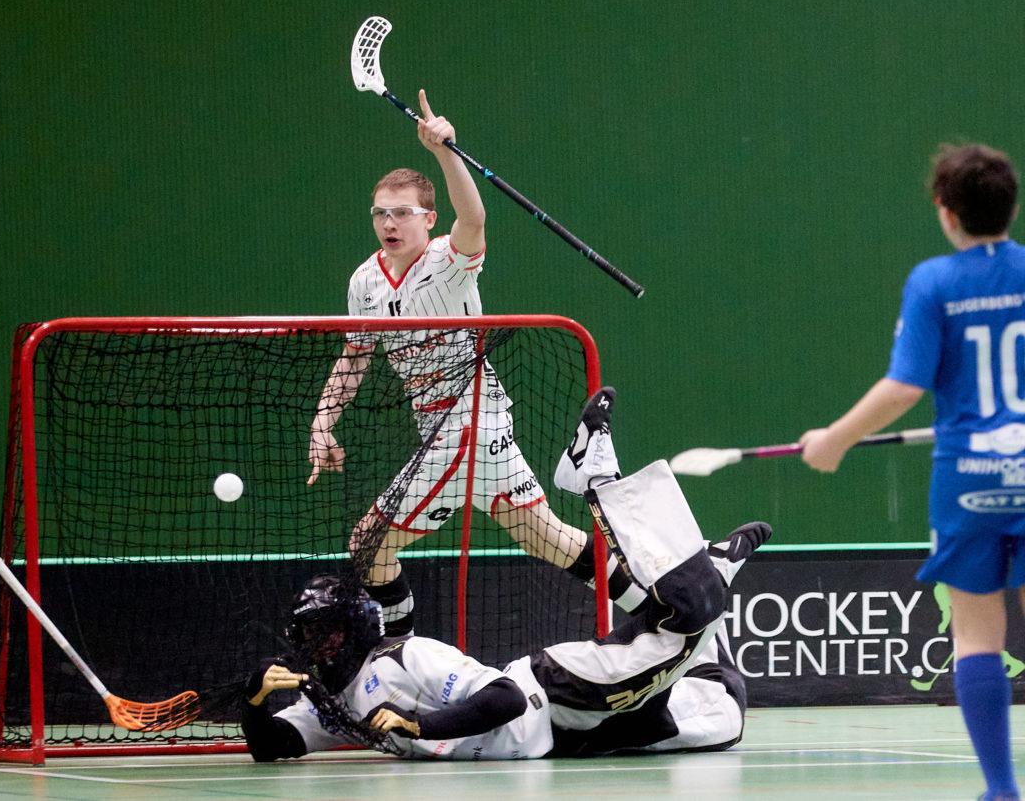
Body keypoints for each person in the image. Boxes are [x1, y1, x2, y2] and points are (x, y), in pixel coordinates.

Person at [248, 391, 770, 760]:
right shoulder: (329, 705)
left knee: (687, 614)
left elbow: (506, 699)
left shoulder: (404, 657)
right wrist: (254, 700)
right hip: (573, 737)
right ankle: (709, 566)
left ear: (357, 629)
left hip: (555, 693)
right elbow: (273, 745)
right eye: (310, 636)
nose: (318, 648)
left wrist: (418, 724)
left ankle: (599, 476)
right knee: (711, 685)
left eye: (327, 632)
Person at [306, 89, 613, 637]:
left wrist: (445, 150)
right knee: (545, 537)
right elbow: (355, 356)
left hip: (469, 418)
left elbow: (474, 215)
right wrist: (323, 421)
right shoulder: (365, 280)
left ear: (427, 218)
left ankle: (395, 651)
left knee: (368, 544)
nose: (388, 223)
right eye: (380, 213)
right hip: (436, 426)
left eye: (401, 213)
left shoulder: (449, 261)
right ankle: (667, 594)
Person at [799, 143, 1022, 801]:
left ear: (945, 212)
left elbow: (903, 387)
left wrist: (833, 440)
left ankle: (1002, 790)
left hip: (970, 478)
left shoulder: (934, 281)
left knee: (978, 634)